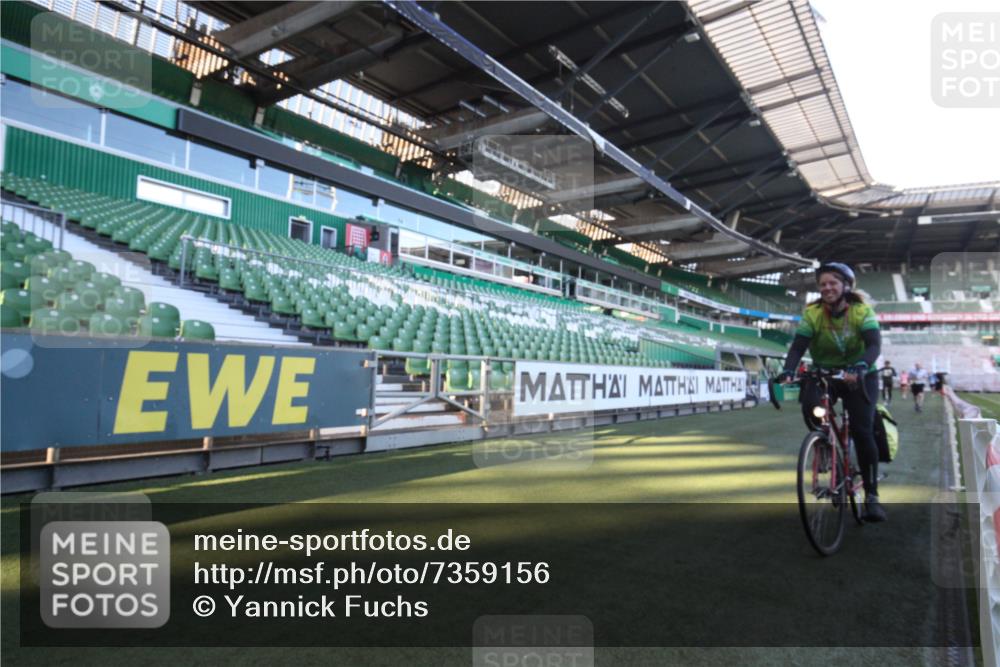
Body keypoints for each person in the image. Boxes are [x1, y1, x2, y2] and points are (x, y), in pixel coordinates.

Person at [778, 263, 886, 522]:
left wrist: (861, 365)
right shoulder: (813, 313)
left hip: (860, 375)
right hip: (826, 374)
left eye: (832, 283)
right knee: (810, 407)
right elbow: (798, 346)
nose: (827, 288)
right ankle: (827, 446)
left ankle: (872, 496)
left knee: (862, 430)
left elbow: (874, 345)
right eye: (823, 284)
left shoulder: (861, 311)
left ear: (846, 286)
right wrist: (788, 369)